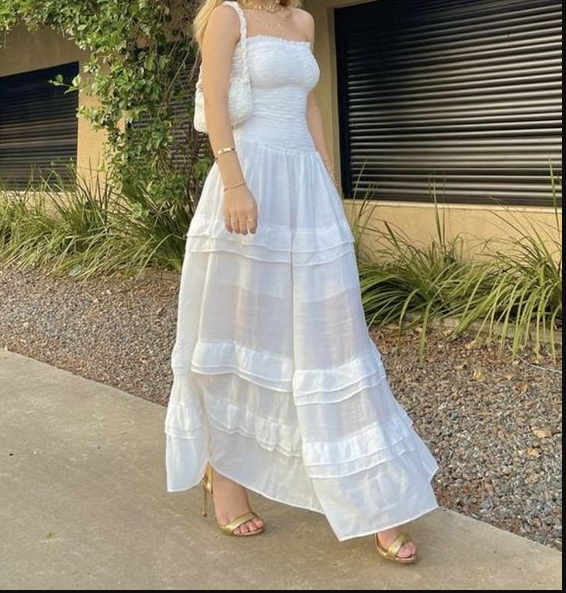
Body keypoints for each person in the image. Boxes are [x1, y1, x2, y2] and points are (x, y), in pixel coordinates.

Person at [165, 0, 438, 564]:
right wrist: (235, 184)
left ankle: (376, 499)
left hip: (304, 186)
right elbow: (214, 99)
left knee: (334, 337)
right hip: (249, 180)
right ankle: (223, 473)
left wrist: (328, 181)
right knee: (239, 331)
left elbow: (309, 103)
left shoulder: (304, 21)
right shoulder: (228, 15)